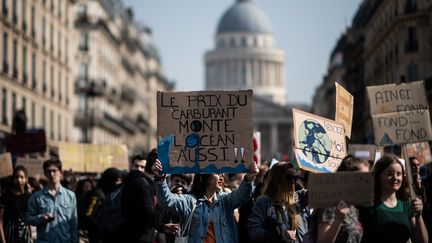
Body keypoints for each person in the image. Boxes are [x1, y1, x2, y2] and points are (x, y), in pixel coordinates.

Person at [152, 159, 259, 243]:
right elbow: (166, 201)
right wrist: (160, 178)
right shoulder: (190, 201)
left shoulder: (226, 200)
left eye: (222, 174)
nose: (222, 178)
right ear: (205, 176)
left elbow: (242, 196)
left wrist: (249, 178)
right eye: (217, 174)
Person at [358, 154, 428, 243]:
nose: (395, 178)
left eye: (399, 174)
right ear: (378, 176)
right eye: (389, 174)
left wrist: (419, 216)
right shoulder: (366, 204)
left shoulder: (407, 204)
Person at [313, 156, 370, 243]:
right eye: (361, 177)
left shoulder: (352, 206)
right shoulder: (330, 205)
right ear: (346, 177)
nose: (365, 182)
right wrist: (339, 219)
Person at [248, 161, 309, 243]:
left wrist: (309, 172)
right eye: (289, 177)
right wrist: (282, 234)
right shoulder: (263, 201)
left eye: (294, 177)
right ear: (277, 179)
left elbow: (321, 191)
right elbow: (254, 231)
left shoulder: (298, 197)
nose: (293, 181)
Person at [26, 159, 78, 243]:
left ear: (61, 173)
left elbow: (73, 223)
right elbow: (28, 218)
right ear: (45, 174)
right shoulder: (37, 197)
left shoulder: (70, 196)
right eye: (48, 171)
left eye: (54, 171)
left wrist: (75, 241)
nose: (51, 174)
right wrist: (42, 218)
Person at [121, 151, 159, 243]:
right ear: (131, 166)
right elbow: (150, 215)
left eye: (142, 167)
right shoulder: (139, 183)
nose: (139, 169)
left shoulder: (147, 183)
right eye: (136, 166)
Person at [0, 165, 32, 243]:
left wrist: (32, 237)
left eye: (22, 177)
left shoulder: (29, 197)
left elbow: (30, 219)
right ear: (13, 179)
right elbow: (0, 221)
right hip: (10, 234)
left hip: (25, 235)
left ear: (26, 179)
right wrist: (3, 241)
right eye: (16, 177)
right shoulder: (6, 196)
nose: (19, 180)